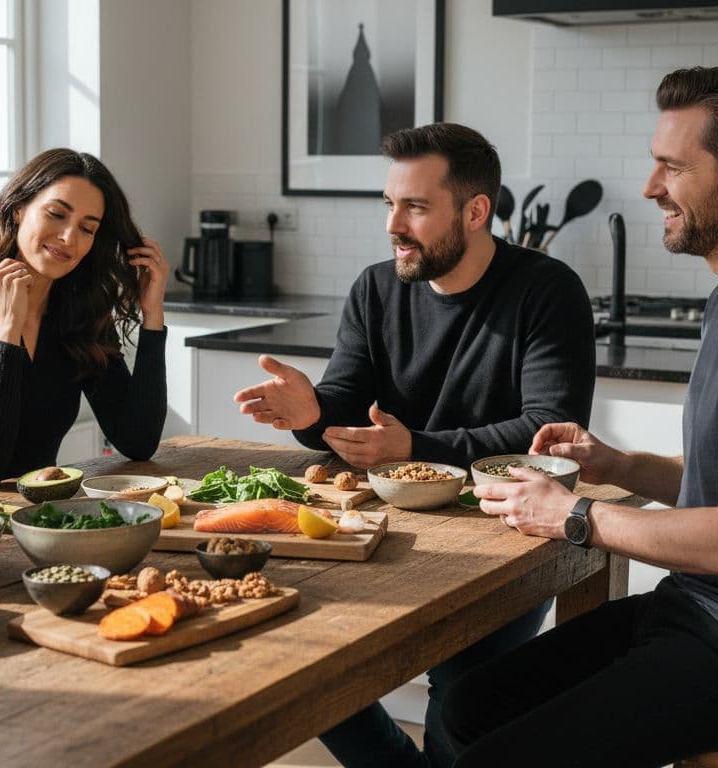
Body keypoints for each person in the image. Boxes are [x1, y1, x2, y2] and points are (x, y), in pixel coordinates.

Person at [445, 65, 718, 768]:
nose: (651, 188)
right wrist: (617, 465)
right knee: (467, 707)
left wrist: (573, 516)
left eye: (673, 167)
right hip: (704, 613)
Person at [233, 123, 596, 768]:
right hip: (386, 527)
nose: (393, 224)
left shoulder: (547, 290)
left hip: (508, 531)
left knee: (462, 704)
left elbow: (552, 429)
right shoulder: (376, 288)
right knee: (309, 668)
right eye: (389, 204)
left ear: (476, 210)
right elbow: (348, 406)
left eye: (416, 207)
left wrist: (415, 445)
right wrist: (311, 411)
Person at [0, 148, 168, 502]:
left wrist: (153, 317)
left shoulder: (81, 317)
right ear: (18, 208)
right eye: (56, 214)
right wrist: (7, 330)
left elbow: (138, 441)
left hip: (32, 513)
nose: (69, 237)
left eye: (87, 228)